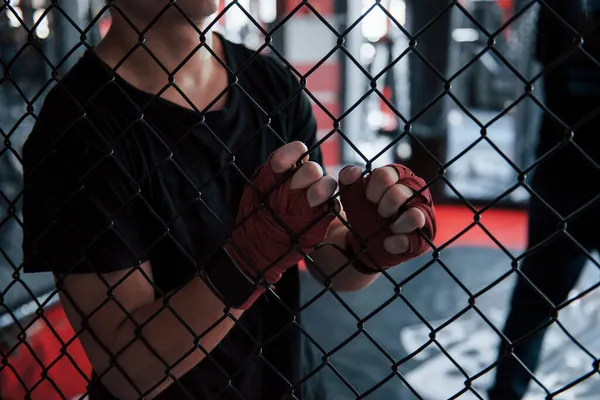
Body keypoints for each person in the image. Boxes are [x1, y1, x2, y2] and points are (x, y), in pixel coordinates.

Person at [20, 1, 437, 399]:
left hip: (284, 380)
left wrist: (369, 245)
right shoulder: (78, 128)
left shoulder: (270, 84)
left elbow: (327, 256)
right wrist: (249, 259)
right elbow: (130, 372)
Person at [489, 1, 600, 399]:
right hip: (564, 172)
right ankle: (506, 392)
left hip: (562, 169)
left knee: (531, 306)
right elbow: (546, 62)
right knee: (532, 305)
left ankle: (506, 391)